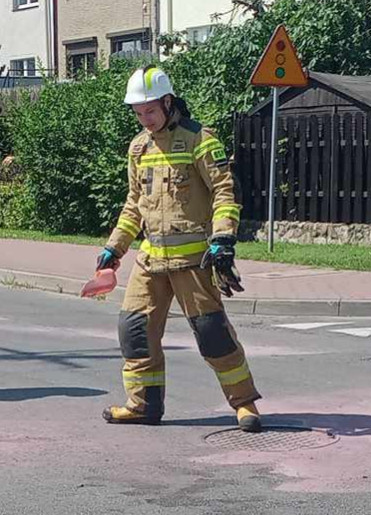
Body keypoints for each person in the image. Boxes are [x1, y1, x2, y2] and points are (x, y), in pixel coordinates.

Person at [97, 66, 262, 432]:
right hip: (150, 259)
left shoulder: (199, 139)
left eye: (150, 112)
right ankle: (143, 405)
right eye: (138, 114)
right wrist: (115, 248)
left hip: (193, 260)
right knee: (134, 329)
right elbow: (133, 203)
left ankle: (245, 403)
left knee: (212, 333)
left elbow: (224, 192)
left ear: (168, 102)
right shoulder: (138, 147)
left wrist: (223, 239)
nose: (145, 120)